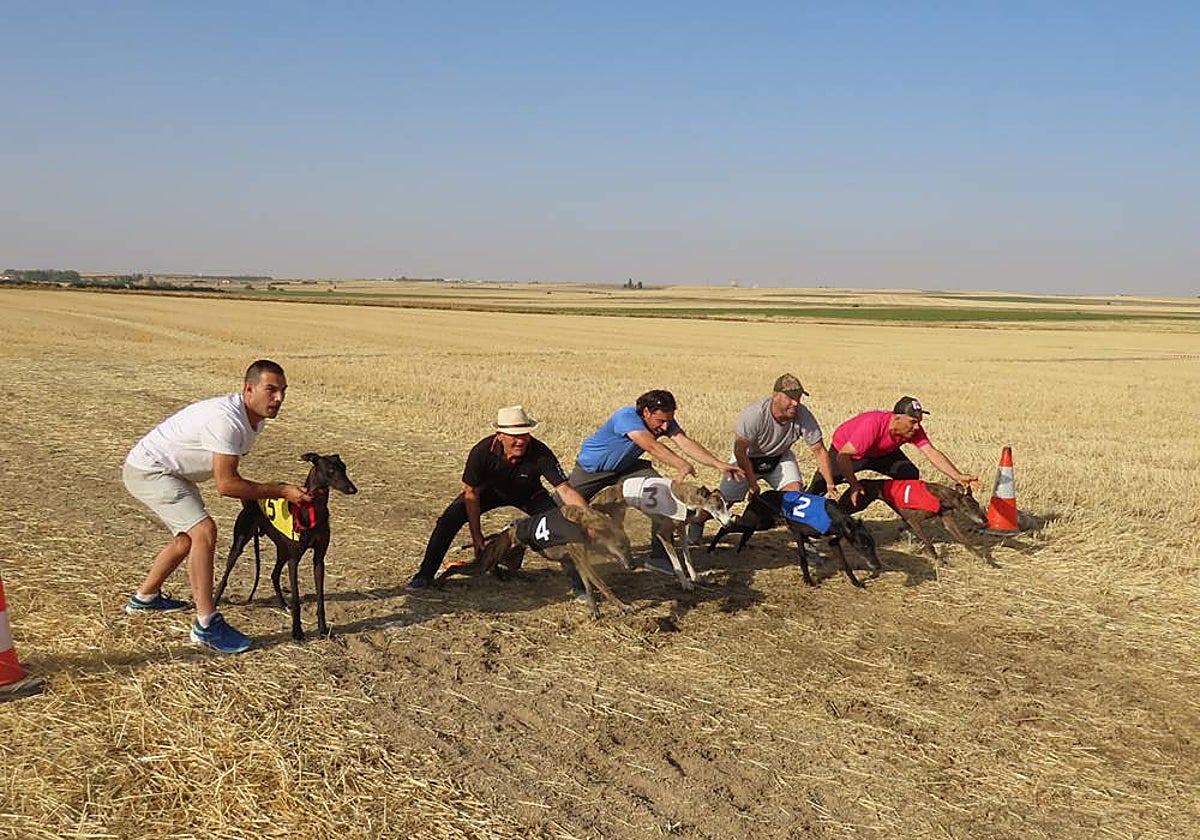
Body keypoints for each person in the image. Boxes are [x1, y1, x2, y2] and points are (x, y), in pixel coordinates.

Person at [122, 359, 311, 654]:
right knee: (204, 531)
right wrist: (280, 492)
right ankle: (206, 625)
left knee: (187, 538)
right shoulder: (227, 420)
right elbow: (226, 485)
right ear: (249, 389)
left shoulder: (254, 418)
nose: (279, 399)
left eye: (283, 391)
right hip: (150, 470)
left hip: (174, 473)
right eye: (271, 390)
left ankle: (144, 599)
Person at [406, 405, 588, 591]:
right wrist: (476, 534)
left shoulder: (540, 452)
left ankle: (579, 584)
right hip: (488, 493)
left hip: (528, 494)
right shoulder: (482, 452)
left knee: (561, 527)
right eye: (514, 436)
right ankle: (425, 575)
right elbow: (471, 492)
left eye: (524, 434)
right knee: (448, 520)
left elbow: (565, 490)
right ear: (499, 435)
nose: (521, 441)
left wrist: (589, 518)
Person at [569, 390, 742, 557]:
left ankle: (660, 557)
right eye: (661, 420)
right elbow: (651, 446)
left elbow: (684, 442)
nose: (665, 426)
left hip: (628, 467)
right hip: (591, 469)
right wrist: (680, 464)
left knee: (662, 497)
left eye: (669, 420)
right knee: (561, 507)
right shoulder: (626, 417)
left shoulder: (664, 422)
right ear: (646, 412)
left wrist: (718, 464)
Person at [807, 396, 981, 504]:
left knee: (909, 475)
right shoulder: (872, 425)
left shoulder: (913, 430)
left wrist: (957, 476)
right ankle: (795, 517)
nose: (917, 426)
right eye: (913, 421)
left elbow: (931, 452)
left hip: (881, 453)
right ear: (896, 418)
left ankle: (907, 519)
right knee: (819, 485)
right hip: (849, 453)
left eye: (919, 421)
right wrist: (854, 484)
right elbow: (843, 457)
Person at [719, 373, 840, 505]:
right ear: (775, 396)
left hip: (779, 457)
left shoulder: (803, 414)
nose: (796, 403)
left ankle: (782, 522)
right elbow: (740, 451)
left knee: (794, 497)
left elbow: (819, 450)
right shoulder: (755, 414)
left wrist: (830, 484)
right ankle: (697, 523)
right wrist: (752, 483)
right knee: (722, 503)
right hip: (748, 458)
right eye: (790, 398)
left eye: (798, 397)